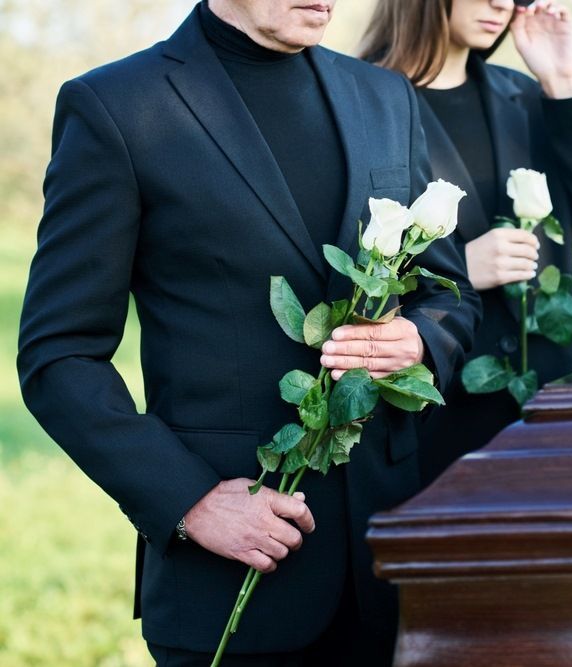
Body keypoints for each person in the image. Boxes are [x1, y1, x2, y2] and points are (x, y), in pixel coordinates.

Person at [17, 0, 479, 664]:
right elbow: (58, 355)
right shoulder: (117, 107)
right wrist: (190, 500)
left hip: (390, 572)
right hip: (230, 586)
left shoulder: (386, 97)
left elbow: (446, 294)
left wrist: (419, 340)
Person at [358, 0, 572, 485]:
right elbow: (340, 275)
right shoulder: (361, 105)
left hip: (550, 407)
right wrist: (460, 268)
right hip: (435, 419)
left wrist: (564, 81)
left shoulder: (529, 96)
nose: (503, 3)